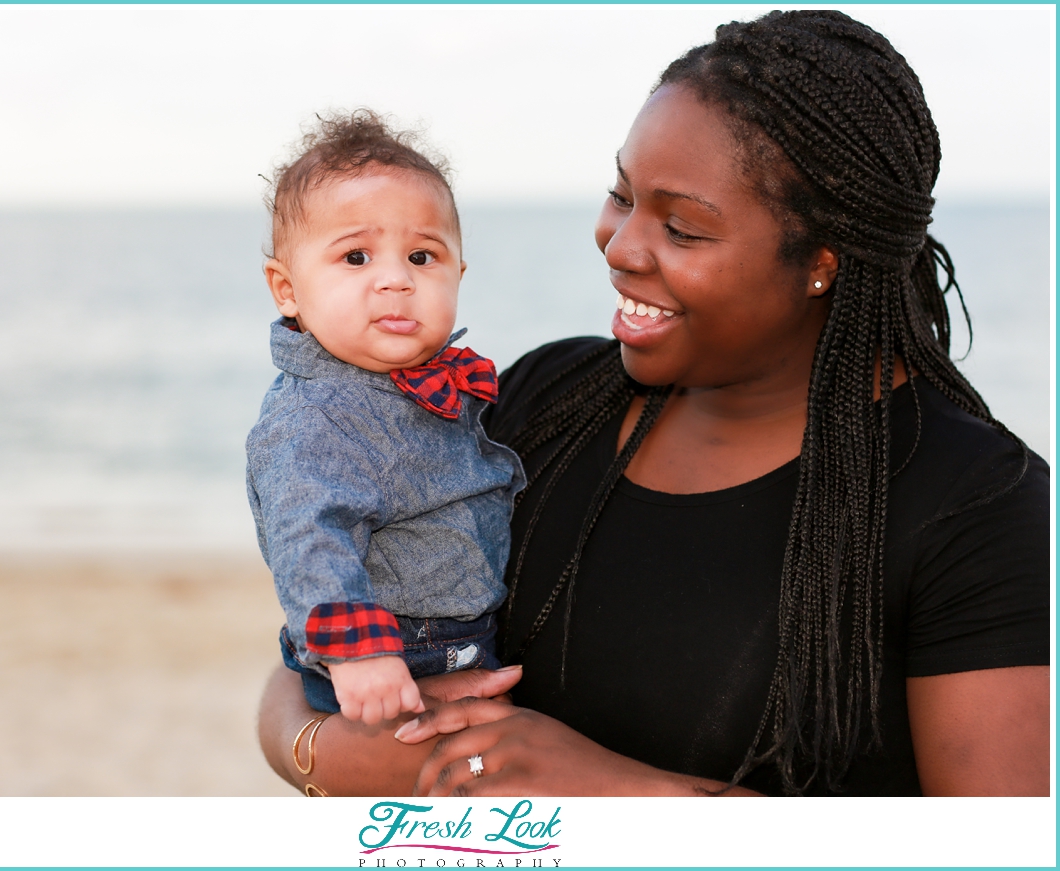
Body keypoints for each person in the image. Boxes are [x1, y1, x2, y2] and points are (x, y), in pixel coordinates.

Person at [258, 11, 1049, 796]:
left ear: (821, 262)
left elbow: (995, 848)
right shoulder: (543, 402)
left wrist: (610, 791)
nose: (621, 245)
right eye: (622, 195)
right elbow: (295, 677)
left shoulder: (977, 507)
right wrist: (355, 751)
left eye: (681, 227)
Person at [247, 110, 526, 727]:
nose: (395, 280)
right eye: (356, 258)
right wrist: (360, 656)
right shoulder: (318, 415)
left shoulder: (423, 382)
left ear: (458, 273)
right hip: (394, 653)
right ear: (287, 289)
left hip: (449, 633)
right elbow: (308, 537)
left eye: (423, 257)